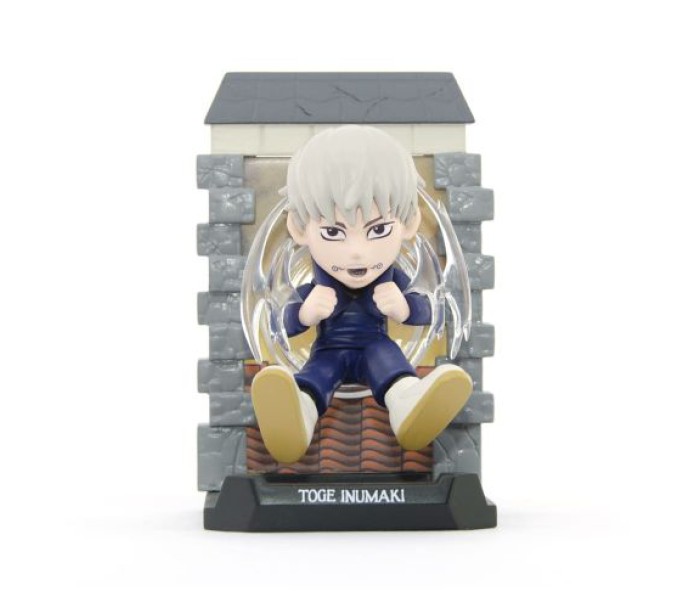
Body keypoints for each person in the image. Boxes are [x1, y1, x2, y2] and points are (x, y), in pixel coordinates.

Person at [251, 125, 472, 463]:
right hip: (329, 351)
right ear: (299, 229)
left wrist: (403, 307)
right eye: (333, 232)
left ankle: (408, 408)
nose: (357, 252)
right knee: (315, 379)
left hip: (376, 347)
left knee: (393, 370)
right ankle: (299, 416)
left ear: (409, 223)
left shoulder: (394, 279)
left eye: (378, 229)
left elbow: (427, 308)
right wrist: (305, 313)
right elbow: (281, 323)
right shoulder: (316, 287)